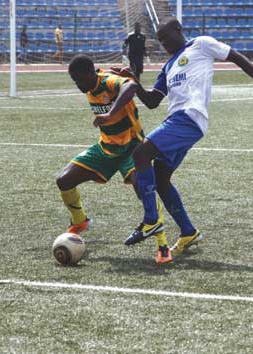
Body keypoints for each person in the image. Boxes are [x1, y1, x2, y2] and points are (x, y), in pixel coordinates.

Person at [94, 17, 253, 255]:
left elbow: (238, 58)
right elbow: (152, 101)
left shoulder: (201, 44)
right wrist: (133, 80)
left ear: (179, 30)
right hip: (178, 121)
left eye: (166, 38)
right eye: (160, 41)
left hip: (189, 117)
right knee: (161, 180)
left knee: (140, 153)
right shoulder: (169, 66)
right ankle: (188, 232)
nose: (164, 44)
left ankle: (151, 220)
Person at [56, 54, 172, 264]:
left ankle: (162, 243)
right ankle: (80, 221)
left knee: (143, 187)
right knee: (64, 180)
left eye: (81, 80)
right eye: (75, 82)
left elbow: (130, 87)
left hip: (132, 148)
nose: (79, 86)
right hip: (106, 148)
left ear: (91, 73)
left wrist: (110, 114)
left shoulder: (107, 80)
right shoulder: (91, 84)